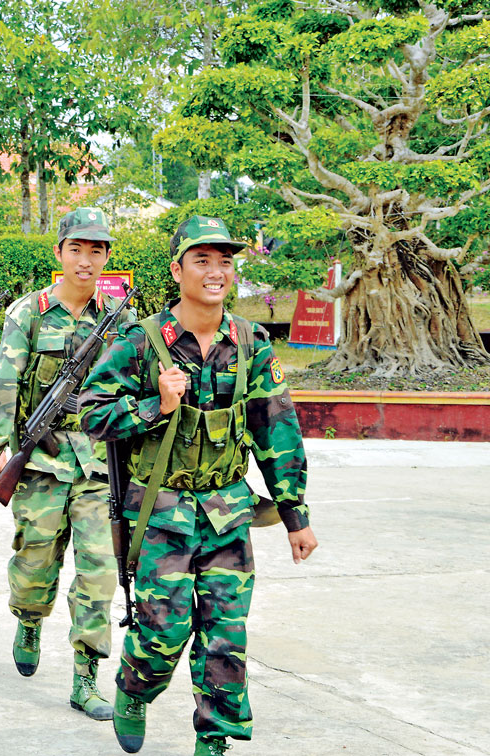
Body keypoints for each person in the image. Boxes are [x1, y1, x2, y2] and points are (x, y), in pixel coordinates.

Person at [78, 215, 318, 756]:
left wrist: (295, 515)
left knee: (226, 638)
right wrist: (154, 406)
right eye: (202, 260)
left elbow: (275, 428)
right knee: (162, 634)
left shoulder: (251, 341)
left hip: (228, 512)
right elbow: (90, 414)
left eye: (225, 262)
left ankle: (215, 739)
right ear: (177, 268)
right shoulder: (140, 342)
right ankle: (135, 689)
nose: (216, 272)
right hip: (159, 513)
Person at [0, 207, 133, 718]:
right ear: (59, 252)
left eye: (97, 250)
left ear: (107, 256)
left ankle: (85, 676)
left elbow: (133, 389)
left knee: (99, 572)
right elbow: (2, 390)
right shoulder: (28, 313)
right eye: (77, 249)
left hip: (100, 470)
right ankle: (29, 620)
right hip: (40, 464)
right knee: (35, 563)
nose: (87, 261)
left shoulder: (120, 320)